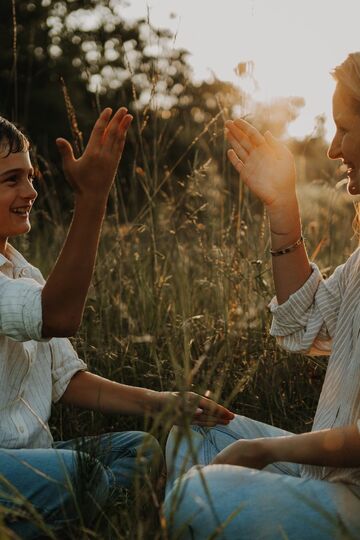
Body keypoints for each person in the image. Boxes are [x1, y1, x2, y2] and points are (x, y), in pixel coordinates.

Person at [0, 108, 235, 539]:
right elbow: (59, 316)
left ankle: (48, 526)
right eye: (11, 180)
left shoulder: (25, 274)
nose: (30, 190)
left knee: (141, 449)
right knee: (87, 477)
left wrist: (162, 401)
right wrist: (93, 197)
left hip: (38, 458)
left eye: (31, 176)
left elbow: (66, 379)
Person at [164, 53, 360, 539]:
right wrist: (282, 207)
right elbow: (305, 323)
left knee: (195, 493)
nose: (334, 149)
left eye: (345, 129)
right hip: (327, 474)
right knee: (197, 430)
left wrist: (268, 451)